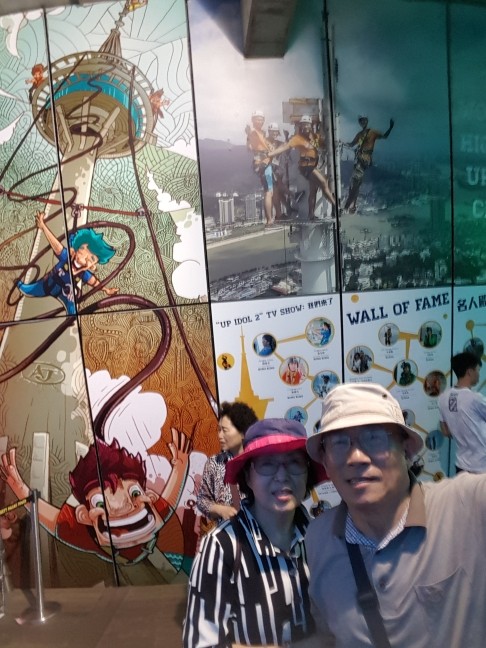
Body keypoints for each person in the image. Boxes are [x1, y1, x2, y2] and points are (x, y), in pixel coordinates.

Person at [303, 382, 486, 648]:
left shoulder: (467, 504)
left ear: (406, 449)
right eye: (339, 442)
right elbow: (327, 637)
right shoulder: (319, 537)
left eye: (374, 436)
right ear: (326, 464)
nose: (356, 457)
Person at [183, 419, 327, 648]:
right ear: (248, 476)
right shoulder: (221, 547)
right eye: (267, 464)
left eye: (295, 462)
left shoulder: (321, 538)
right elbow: (201, 643)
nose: (282, 476)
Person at [17, 211, 118, 315]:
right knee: (33, 289)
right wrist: (43, 226)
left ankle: (71, 316)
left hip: (66, 294)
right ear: (76, 248)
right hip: (48, 283)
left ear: (93, 266)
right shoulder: (66, 256)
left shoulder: (84, 273)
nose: (84, 257)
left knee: (72, 309)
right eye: (82, 249)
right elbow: (55, 244)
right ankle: (28, 289)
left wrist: (106, 290)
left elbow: (95, 282)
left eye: (91, 258)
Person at [197, 401, 258, 525]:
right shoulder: (214, 463)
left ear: (243, 432)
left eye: (224, 430)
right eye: (219, 430)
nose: (219, 435)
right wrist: (220, 510)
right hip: (228, 532)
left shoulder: (259, 462)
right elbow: (202, 500)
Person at [268, 115, 335, 220]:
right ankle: (336, 207)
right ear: (301, 126)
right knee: (323, 182)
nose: (305, 126)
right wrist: (270, 154)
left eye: (307, 124)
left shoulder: (315, 137)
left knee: (313, 190)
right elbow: (285, 147)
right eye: (303, 124)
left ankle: (311, 215)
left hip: (314, 165)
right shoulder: (297, 138)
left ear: (311, 125)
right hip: (306, 167)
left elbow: (323, 144)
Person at [438, 351, 486, 473]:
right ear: (469, 372)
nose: (479, 374)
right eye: (478, 370)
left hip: (461, 466)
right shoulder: (475, 399)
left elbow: (445, 431)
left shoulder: (443, 398)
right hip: (481, 467)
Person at [343, 116, 394, 214]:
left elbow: (385, 136)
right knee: (355, 184)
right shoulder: (360, 134)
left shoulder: (372, 132)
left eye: (364, 120)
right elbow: (351, 144)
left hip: (363, 161)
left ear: (366, 121)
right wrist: (342, 143)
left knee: (355, 183)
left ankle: (347, 207)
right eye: (361, 121)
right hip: (360, 160)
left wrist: (390, 128)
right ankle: (352, 206)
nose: (362, 122)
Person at [245, 110, 274, 226]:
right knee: (268, 192)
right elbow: (249, 147)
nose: (260, 121)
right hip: (262, 163)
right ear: (253, 120)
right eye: (257, 119)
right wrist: (248, 134)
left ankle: (270, 218)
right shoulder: (253, 132)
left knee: (270, 191)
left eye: (261, 119)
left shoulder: (261, 132)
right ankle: (269, 220)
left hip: (265, 162)